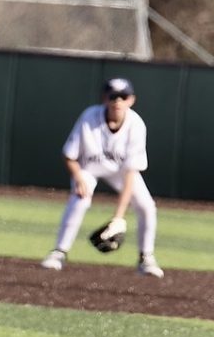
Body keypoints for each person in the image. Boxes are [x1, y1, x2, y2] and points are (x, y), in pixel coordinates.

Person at [40, 77, 164, 278]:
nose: (118, 101)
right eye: (113, 96)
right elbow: (69, 155)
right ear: (104, 98)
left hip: (122, 172)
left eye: (123, 96)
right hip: (89, 169)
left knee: (147, 206)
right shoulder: (89, 117)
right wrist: (78, 177)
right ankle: (59, 253)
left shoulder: (136, 125)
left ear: (131, 100)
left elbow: (131, 173)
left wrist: (118, 217)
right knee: (79, 199)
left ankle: (146, 258)